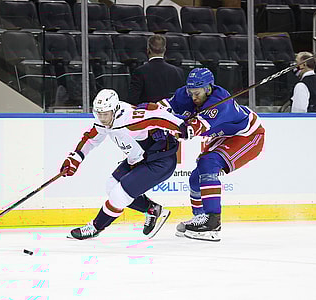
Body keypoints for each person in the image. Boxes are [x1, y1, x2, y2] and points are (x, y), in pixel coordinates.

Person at [153, 68, 265, 242]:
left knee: (209, 163)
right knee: (195, 178)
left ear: (208, 88)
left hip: (248, 136)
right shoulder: (185, 93)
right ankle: (200, 218)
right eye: (190, 92)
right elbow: (163, 107)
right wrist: (144, 115)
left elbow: (194, 128)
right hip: (225, 135)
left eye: (196, 93)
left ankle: (213, 222)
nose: (192, 97)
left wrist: (175, 129)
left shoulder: (220, 103)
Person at [61, 89, 188, 240]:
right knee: (111, 186)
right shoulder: (103, 120)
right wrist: (75, 158)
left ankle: (95, 227)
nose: (102, 118)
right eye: (99, 113)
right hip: (139, 158)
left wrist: (180, 125)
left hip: (160, 161)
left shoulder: (129, 119)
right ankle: (152, 209)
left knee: (119, 195)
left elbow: (157, 115)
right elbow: (90, 139)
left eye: (105, 114)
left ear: (115, 110)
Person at [126, 34, 185, 105]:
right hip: (171, 113)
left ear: (148, 50)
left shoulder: (140, 71)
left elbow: (132, 100)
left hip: (149, 113)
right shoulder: (178, 71)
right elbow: (181, 98)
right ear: (164, 50)